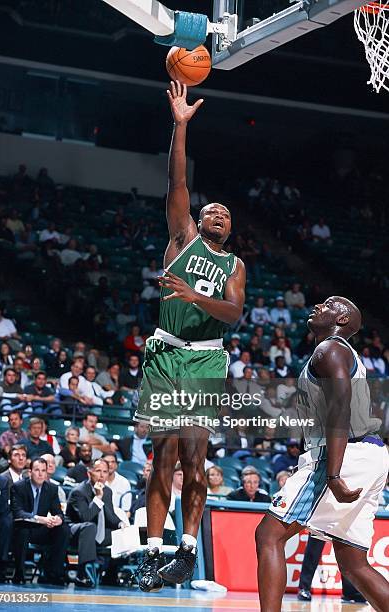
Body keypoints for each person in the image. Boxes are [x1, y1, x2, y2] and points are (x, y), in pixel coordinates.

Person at [134, 81, 245, 591]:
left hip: (204, 359)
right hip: (166, 353)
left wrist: (193, 295)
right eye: (212, 210)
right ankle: (151, 553)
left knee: (197, 459)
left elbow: (233, 314)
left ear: (230, 228)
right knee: (164, 453)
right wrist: (180, 124)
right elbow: (176, 179)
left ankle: (187, 549)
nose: (219, 213)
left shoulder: (234, 264)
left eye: (226, 213)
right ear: (197, 219)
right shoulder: (182, 237)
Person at [255, 296, 388, 611]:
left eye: (329, 304)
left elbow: (339, 407)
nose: (319, 306)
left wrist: (333, 474)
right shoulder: (336, 353)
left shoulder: (330, 349)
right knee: (353, 561)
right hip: (371, 453)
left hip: (347, 453)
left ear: (341, 320)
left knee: (269, 535)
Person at [66, 458, 125, 588]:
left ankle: (110, 574)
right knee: (89, 527)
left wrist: (121, 524)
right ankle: (82, 574)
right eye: (98, 471)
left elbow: (109, 516)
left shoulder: (107, 491)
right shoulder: (79, 492)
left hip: (96, 531)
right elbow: (85, 517)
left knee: (123, 534)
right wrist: (98, 497)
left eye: (105, 471)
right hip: (75, 531)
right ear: (89, 473)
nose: (102, 475)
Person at [11, 457, 69, 585]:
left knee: (63, 529)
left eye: (43, 470)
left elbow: (58, 512)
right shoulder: (18, 487)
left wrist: (58, 519)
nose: (40, 473)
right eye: (37, 470)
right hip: (24, 527)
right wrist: (40, 519)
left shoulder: (52, 489)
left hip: (40, 531)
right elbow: (18, 513)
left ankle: (54, 574)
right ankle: (19, 573)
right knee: (23, 530)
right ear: (30, 472)